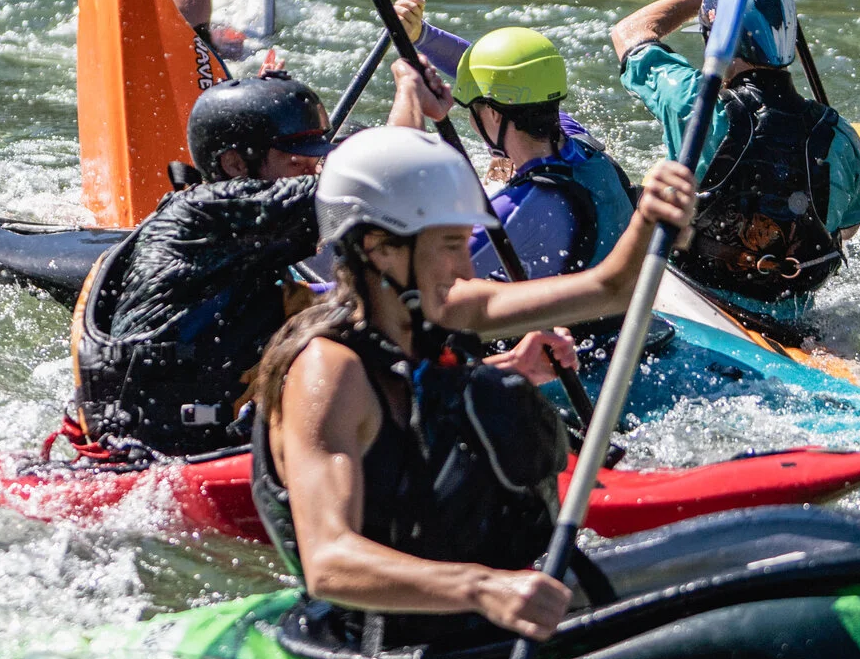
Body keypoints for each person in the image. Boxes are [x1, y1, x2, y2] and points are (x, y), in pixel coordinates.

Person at [249, 127, 699, 650]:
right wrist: (486, 588)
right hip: (379, 646)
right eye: (448, 246)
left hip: (475, 613)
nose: (466, 267)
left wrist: (652, 218)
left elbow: (610, 289)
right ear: (381, 250)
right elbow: (329, 561)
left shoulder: (444, 309)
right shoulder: (328, 372)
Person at [64, 62, 560, 460]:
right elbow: (382, 185)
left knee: (362, 303)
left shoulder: (239, 237)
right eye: (299, 160)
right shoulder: (208, 214)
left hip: (205, 427)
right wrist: (408, 88)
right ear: (236, 164)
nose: (318, 169)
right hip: (156, 454)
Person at [608, 0, 860, 336]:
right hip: (790, 318)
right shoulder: (840, 135)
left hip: (694, 299)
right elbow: (847, 229)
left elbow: (629, 31)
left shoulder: (694, 103)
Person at [390, 25, 635, 283]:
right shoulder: (581, 144)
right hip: (610, 309)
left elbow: (411, 277)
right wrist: (422, 36)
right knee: (497, 170)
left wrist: (409, 92)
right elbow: (504, 77)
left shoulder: (515, 210)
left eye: (472, 110)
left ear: (494, 114)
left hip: (555, 320)